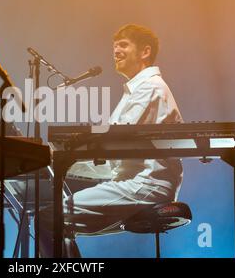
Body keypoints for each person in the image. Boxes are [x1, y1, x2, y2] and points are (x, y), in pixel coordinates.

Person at [39, 23, 184, 257]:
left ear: (145, 52)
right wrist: (59, 161)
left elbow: (115, 139)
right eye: (114, 47)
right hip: (133, 182)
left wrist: (69, 150)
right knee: (54, 218)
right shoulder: (137, 90)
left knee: (50, 217)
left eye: (123, 45)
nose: (115, 51)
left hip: (145, 185)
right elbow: (113, 158)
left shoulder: (151, 87)